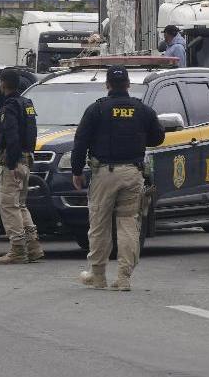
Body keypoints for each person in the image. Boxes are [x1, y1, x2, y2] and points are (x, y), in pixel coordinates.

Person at [70, 65, 164, 291]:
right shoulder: (142, 110)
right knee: (129, 224)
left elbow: (80, 142)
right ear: (129, 85)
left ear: (108, 85)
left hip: (104, 174)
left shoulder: (96, 110)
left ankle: (98, 275)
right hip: (133, 173)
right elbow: (158, 137)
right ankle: (124, 278)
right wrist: (137, 141)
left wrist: (76, 171)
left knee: (99, 225)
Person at [0, 68, 43, 265]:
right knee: (20, 205)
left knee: (8, 206)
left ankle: (17, 250)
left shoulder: (10, 106)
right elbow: (32, 133)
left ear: (3, 83)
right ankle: (33, 246)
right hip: (26, 158)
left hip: (13, 162)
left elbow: (11, 136)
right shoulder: (27, 104)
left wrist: (11, 162)